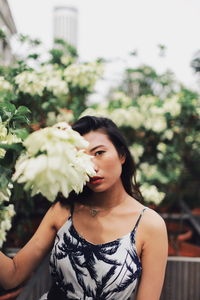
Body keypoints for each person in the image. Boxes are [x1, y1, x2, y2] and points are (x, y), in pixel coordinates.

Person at [0, 116, 168, 300]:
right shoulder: (63, 211)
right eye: (82, 157)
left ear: (122, 155)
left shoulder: (150, 225)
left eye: (99, 153)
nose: (92, 166)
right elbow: (12, 275)